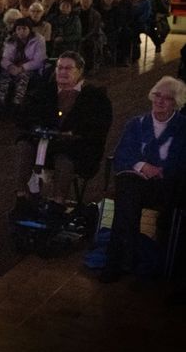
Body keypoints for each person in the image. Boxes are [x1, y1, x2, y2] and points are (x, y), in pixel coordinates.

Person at [101, 76, 186, 283]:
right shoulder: (136, 124)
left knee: (132, 199)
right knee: (128, 191)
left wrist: (162, 170)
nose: (160, 101)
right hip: (137, 182)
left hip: (168, 183)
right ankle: (127, 259)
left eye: (167, 98)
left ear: (176, 103)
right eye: (157, 95)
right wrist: (142, 166)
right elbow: (122, 155)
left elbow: (182, 158)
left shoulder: (183, 127)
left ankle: (131, 259)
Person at [14, 51, 113, 214]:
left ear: (80, 71)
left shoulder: (95, 97)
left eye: (68, 68)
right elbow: (26, 115)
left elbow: (98, 128)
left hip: (76, 146)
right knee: (24, 145)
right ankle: (21, 195)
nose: (62, 72)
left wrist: (72, 134)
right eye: (59, 68)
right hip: (46, 142)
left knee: (65, 156)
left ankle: (58, 202)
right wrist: (37, 127)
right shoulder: (45, 90)